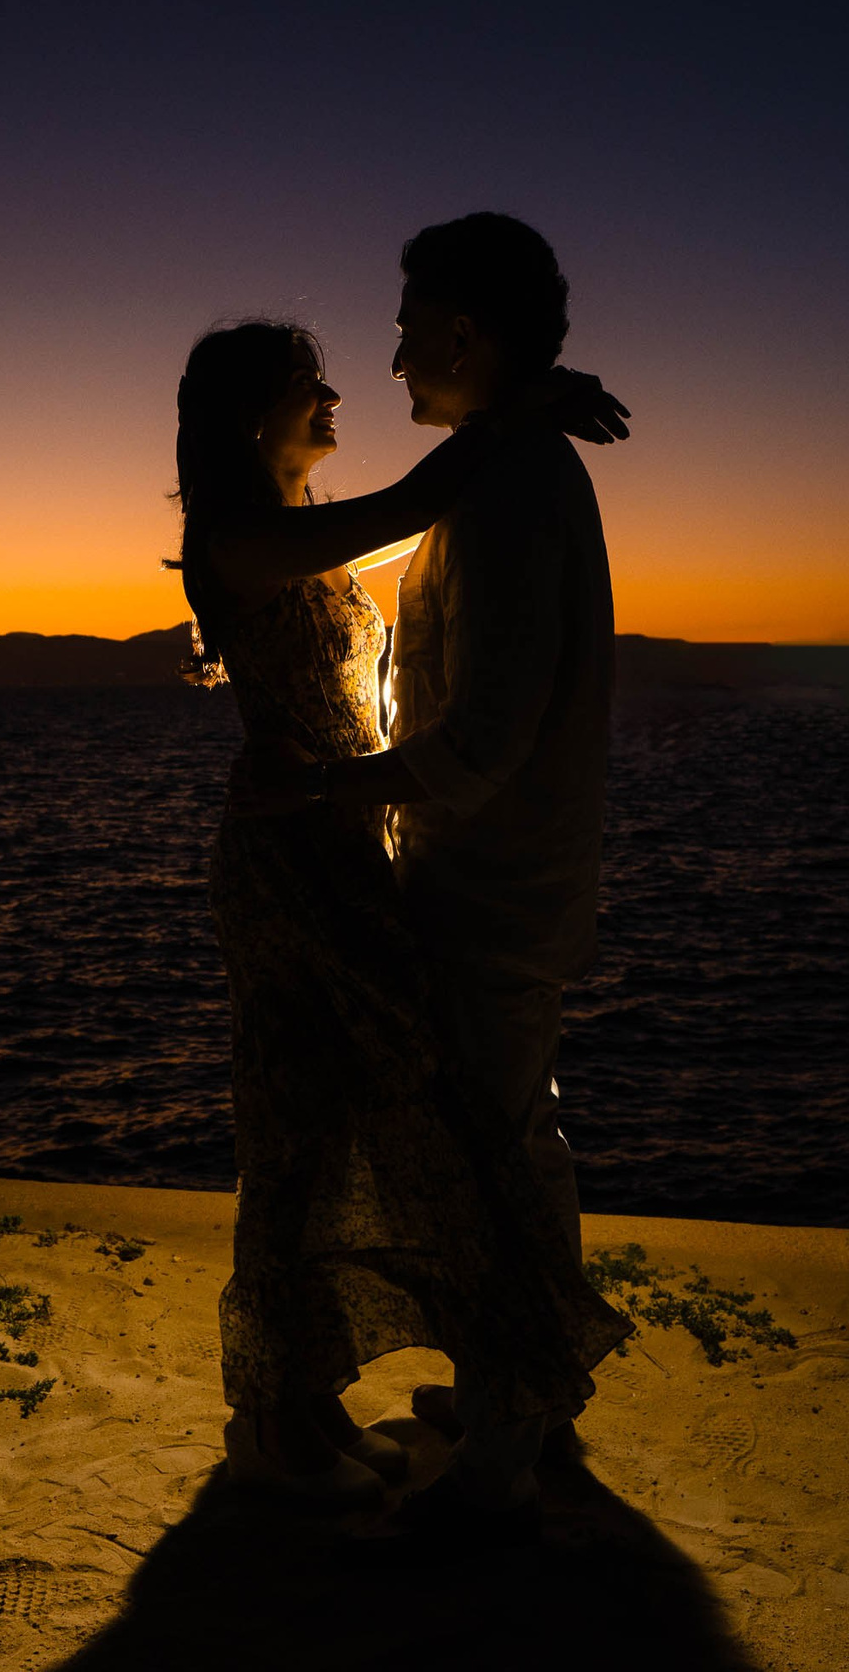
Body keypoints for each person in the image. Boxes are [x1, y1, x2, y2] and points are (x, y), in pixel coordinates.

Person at [176, 317, 631, 1516]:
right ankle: (281, 1411)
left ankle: (421, 1382)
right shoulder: (247, 541)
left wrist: (518, 405)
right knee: (300, 1132)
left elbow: (428, 536)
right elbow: (422, 496)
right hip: (290, 867)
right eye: (302, 385)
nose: (334, 394)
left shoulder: (299, 546)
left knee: (350, 1117)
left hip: (340, 850)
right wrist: (519, 400)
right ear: (248, 417)